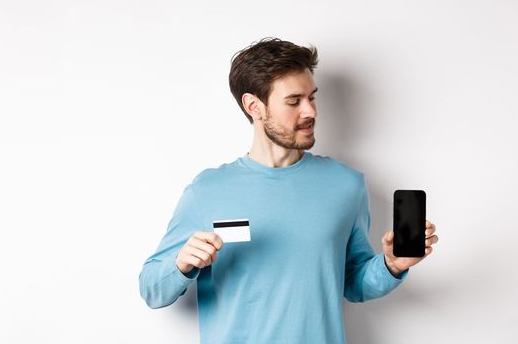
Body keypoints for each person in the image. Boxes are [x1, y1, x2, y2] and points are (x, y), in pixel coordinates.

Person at [138, 37, 440, 343]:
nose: (310, 111)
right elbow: (152, 289)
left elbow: (353, 283)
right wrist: (181, 262)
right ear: (254, 106)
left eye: (312, 97)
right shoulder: (207, 190)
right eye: (294, 101)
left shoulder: (346, 184)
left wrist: (391, 265)